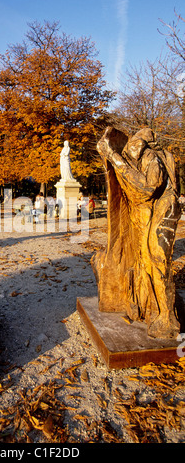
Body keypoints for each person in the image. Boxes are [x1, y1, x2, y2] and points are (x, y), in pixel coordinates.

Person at [93, 126, 181, 339]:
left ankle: (166, 318)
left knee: (157, 260)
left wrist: (114, 157)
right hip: (144, 213)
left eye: (135, 145)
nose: (132, 149)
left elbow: (147, 189)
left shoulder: (153, 158)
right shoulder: (140, 156)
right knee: (143, 259)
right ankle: (146, 307)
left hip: (162, 211)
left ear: (142, 145)